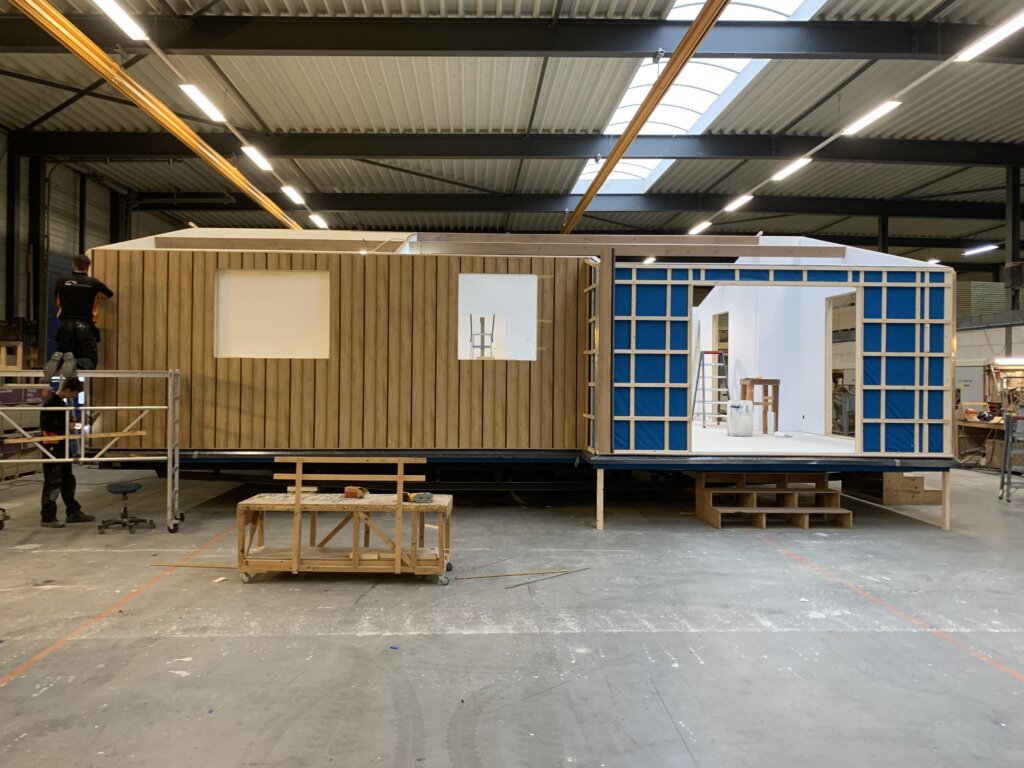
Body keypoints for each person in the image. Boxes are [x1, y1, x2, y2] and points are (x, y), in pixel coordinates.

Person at [43, 254, 113, 377]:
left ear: (73, 265)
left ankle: (58, 360)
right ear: (88, 267)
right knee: (89, 360)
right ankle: (76, 363)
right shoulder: (94, 283)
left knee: (66, 353)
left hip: (65, 325)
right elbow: (108, 295)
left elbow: (58, 302)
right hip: (85, 325)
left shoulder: (61, 281)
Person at [39, 378, 95, 528]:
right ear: (68, 390)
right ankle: (47, 517)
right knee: (53, 482)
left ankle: (73, 511)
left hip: (62, 445)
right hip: (52, 446)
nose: (75, 397)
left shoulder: (61, 403)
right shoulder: (51, 403)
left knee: (68, 480)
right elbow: (46, 425)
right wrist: (67, 425)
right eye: (75, 393)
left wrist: (72, 425)